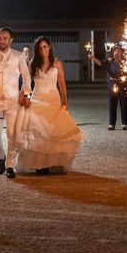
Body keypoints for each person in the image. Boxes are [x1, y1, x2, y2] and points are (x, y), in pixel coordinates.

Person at [16, 37, 83, 173]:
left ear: (49, 47)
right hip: (37, 99)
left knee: (52, 133)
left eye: (45, 47)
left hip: (53, 99)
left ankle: (51, 163)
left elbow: (62, 83)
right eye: (40, 48)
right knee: (38, 133)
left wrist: (65, 101)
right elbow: (26, 83)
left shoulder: (56, 63)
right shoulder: (33, 63)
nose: (43, 50)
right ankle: (39, 165)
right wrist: (23, 95)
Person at [0, 27, 32, 179]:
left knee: (13, 135)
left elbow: (26, 76)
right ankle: (1, 156)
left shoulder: (18, 56)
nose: (1, 41)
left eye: (5, 38)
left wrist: (26, 93)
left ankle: (10, 165)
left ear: (11, 40)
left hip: (13, 100)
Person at [89, 47, 127, 130]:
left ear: (122, 53)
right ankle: (112, 123)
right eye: (115, 51)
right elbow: (100, 63)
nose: (116, 52)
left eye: (118, 51)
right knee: (112, 104)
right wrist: (93, 58)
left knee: (124, 104)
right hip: (112, 84)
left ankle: (124, 123)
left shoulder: (126, 61)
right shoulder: (110, 61)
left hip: (123, 84)